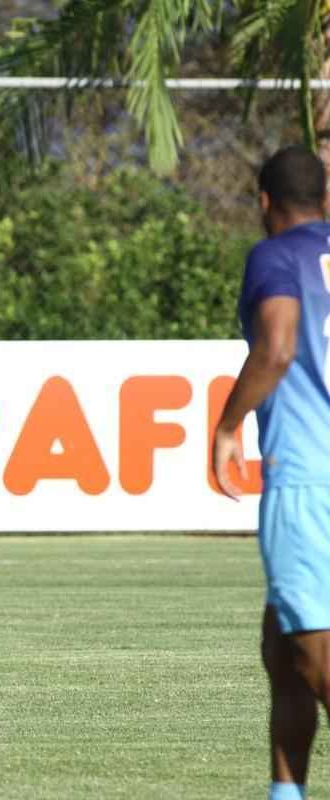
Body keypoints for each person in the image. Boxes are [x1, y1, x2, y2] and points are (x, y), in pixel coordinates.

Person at [212, 146, 330, 800]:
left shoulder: (276, 255)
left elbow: (278, 343)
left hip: (308, 478)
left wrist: (229, 426)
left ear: (264, 203)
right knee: (284, 656)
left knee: (314, 659)